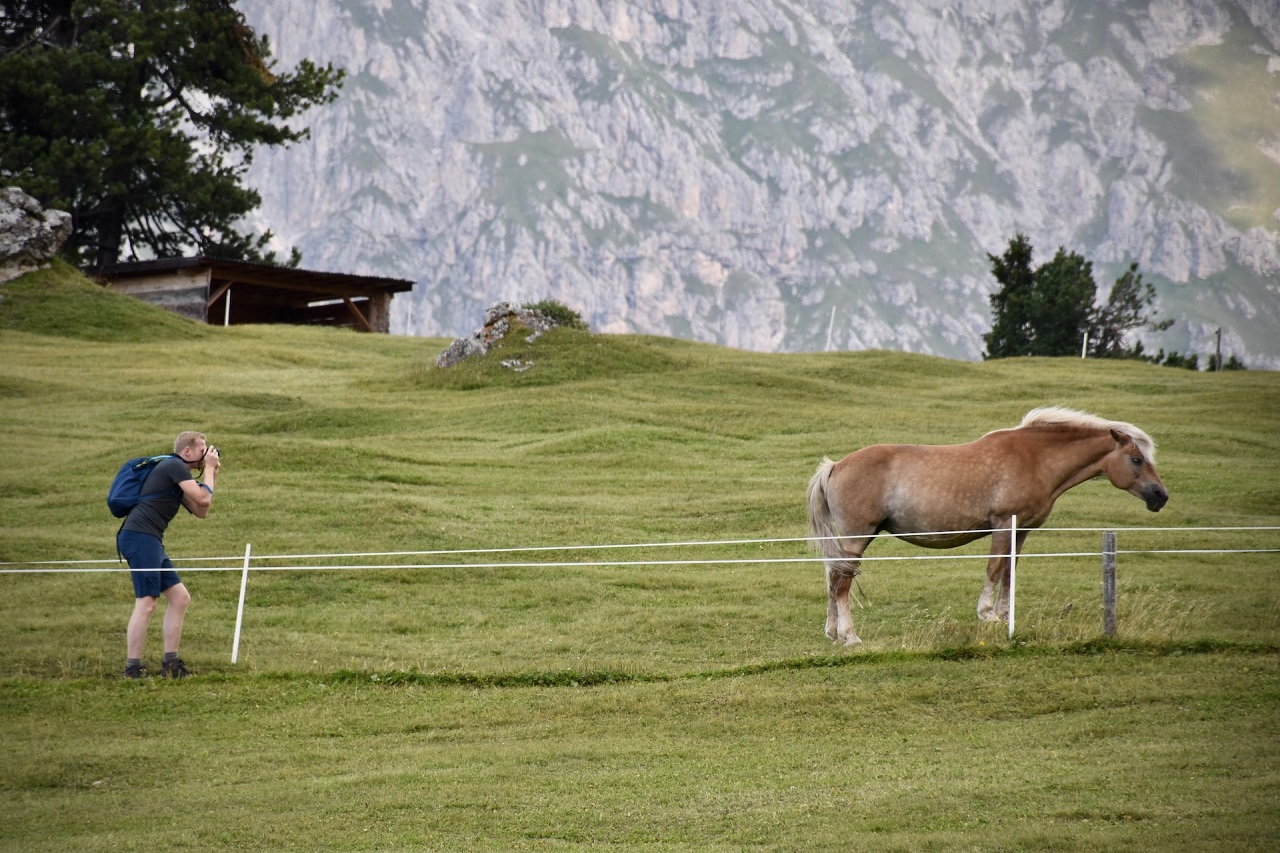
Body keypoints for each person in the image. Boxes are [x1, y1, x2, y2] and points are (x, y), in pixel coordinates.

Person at [118, 431, 220, 678]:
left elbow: (200, 510)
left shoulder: (177, 474)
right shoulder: (173, 465)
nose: (204, 454)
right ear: (186, 452)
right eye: (201, 449)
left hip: (150, 539)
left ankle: (170, 664)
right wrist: (207, 471)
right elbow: (204, 498)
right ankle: (132, 669)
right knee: (147, 602)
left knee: (180, 598)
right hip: (140, 536)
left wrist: (212, 474)